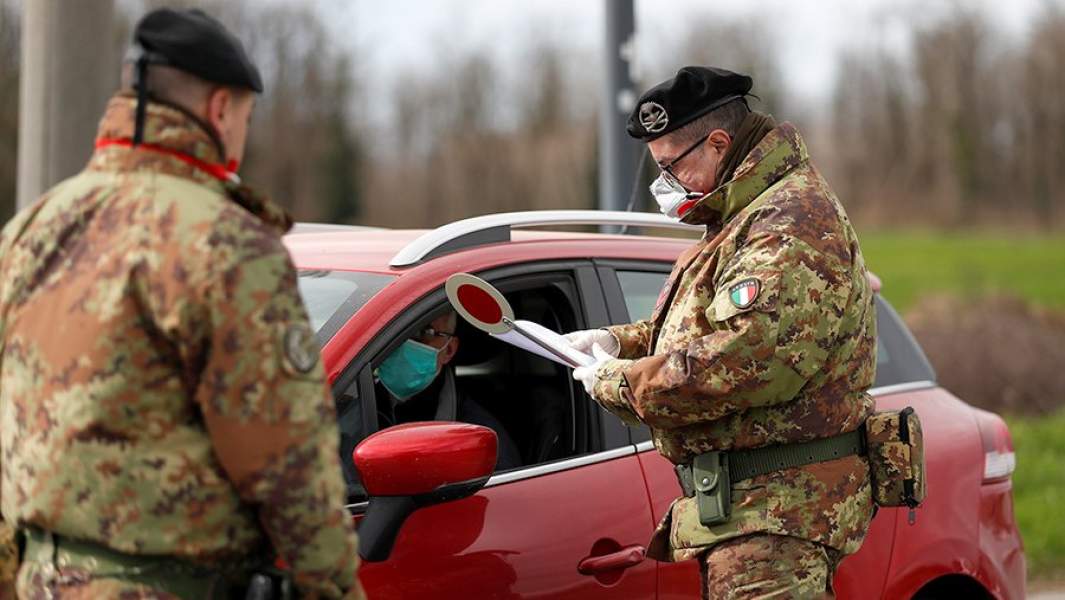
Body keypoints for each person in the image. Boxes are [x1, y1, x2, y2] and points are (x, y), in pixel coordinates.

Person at [0, 8, 363, 598]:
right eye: (246, 116)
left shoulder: (31, 230)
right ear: (221, 109)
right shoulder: (226, 244)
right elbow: (287, 461)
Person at [568, 66, 877, 599]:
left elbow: (746, 363)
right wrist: (619, 342)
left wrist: (619, 381)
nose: (665, 185)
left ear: (717, 143)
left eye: (670, 167)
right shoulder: (742, 216)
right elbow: (706, 328)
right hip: (748, 516)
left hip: (778, 519)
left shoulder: (788, 219)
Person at [373, 311, 522, 471]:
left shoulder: (476, 439)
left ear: (449, 349)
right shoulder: (354, 393)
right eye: (394, 331)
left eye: (423, 332)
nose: (402, 343)